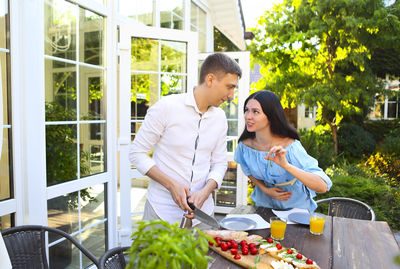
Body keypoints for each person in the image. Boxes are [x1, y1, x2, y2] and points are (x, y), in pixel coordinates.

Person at [130, 53, 242, 228]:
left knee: (207, 257)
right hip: (161, 213)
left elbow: (219, 163)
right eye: (229, 87)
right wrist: (171, 185)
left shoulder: (220, 118)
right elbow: (136, 153)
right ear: (210, 79)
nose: (232, 95)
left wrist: (205, 192)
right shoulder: (166, 107)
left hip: (202, 216)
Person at [234, 90, 332, 211]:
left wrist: (286, 165)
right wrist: (265, 189)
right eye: (246, 110)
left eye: (256, 112)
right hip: (263, 207)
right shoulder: (245, 147)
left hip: (296, 210)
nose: (248, 116)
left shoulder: (291, 147)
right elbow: (246, 167)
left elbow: (322, 186)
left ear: (271, 116)